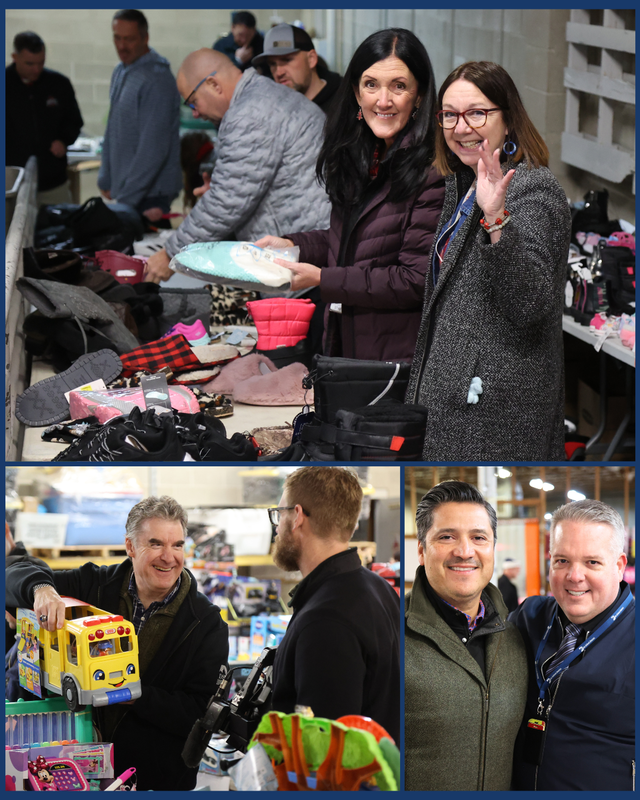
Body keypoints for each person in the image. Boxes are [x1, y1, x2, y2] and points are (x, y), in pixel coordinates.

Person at [405, 61, 571, 459]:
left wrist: (496, 218)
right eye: (449, 115)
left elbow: (529, 302)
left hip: (493, 417)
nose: (462, 128)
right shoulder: (464, 184)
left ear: (508, 118)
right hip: (456, 403)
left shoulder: (532, 189)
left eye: (477, 113)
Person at [5, 496, 228, 791]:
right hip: (71, 772)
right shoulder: (93, 585)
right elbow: (11, 575)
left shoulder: (206, 623)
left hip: (151, 778)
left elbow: (200, 714)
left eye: (177, 545)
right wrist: (42, 589)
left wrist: (129, 694)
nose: (169, 557)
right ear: (131, 547)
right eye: (156, 543)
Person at [256, 28, 445, 362]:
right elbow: (359, 241)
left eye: (398, 86)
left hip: (394, 357)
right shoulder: (365, 154)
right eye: (371, 84)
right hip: (349, 342)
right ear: (357, 93)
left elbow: (414, 279)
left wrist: (324, 279)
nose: (382, 100)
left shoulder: (431, 172)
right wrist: (294, 246)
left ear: (419, 96)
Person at [143, 49, 331, 283]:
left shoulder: (249, 113)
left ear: (213, 84)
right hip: (313, 247)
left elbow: (227, 201)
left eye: (194, 102)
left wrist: (170, 254)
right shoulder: (265, 95)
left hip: (305, 261)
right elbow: (241, 189)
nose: (197, 113)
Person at [405, 480, 527, 790]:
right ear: (421, 550)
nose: (464, 551)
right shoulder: (388, 635)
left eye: (478, 537)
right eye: (446, 537)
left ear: (492, 549)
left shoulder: (517, 638)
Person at [269, 467, 400, 743]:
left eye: (279, 513)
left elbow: (322, 754)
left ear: (298, 517)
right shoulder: (378, 588)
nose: (277, 526)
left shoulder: (325, 620)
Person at [510, 499, 634, 791]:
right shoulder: (529, 618)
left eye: (592, 562)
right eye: (562, 560)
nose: (574, 576)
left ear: (618, 566)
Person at [98, 10, 182, 225]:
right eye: (117, 38)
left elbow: (153, 150)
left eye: (129, 39)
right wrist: (106, 178)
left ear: (145, 38)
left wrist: (124, 202)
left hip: (149, 199)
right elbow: (112, 128)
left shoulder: (157, 80)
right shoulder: (121, 71)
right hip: (128, 195)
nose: (122, 46)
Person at [6, 31, 83, 206]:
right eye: (29, 64)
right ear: (14, 57)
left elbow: (74, 121)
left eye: (41, 63)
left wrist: (64, 140)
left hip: (53, 183)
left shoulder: (58, 84)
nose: (36, 69)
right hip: (13, 186)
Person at [252, 23, 342, 113]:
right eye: (272, 64)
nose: (279, 73)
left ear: (311, 59)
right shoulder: (272, 106)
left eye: (287, 60)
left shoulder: (346, 101)